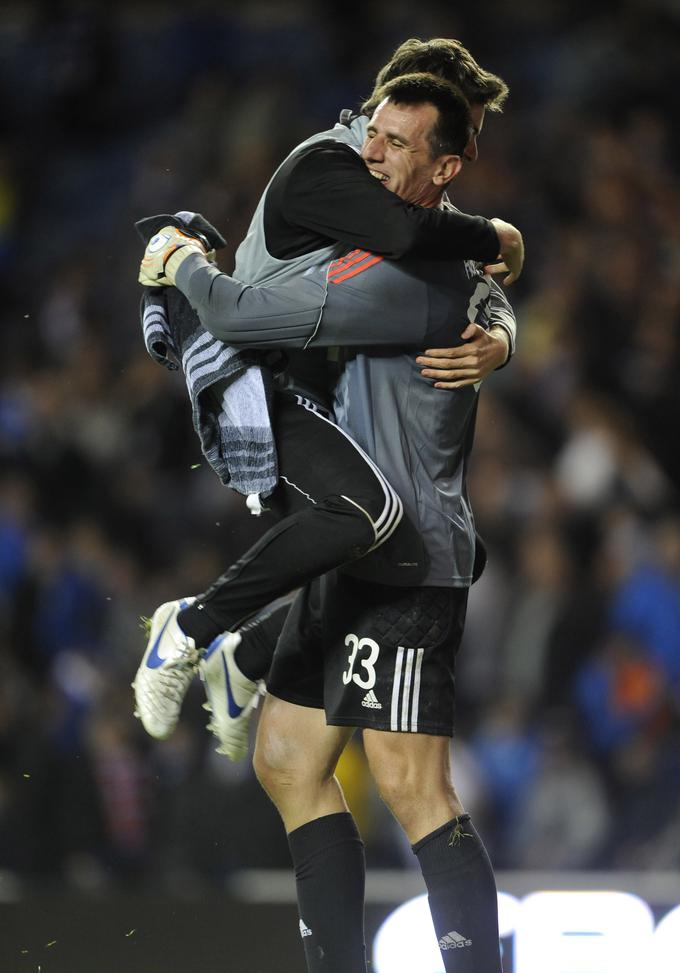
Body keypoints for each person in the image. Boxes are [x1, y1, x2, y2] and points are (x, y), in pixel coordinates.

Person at [133, 47, 521, 761]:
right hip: (252, 381)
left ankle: (244, 657)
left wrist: (500, 333)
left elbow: (466, 274)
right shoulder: (331, 169)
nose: (466, 154)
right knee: (367, 514)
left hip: (312, 392)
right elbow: (411, 242)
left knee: (421, 551)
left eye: (466, 142)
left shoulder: (411, 189)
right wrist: (182, 259)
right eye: (459, 134)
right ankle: (186, 631)